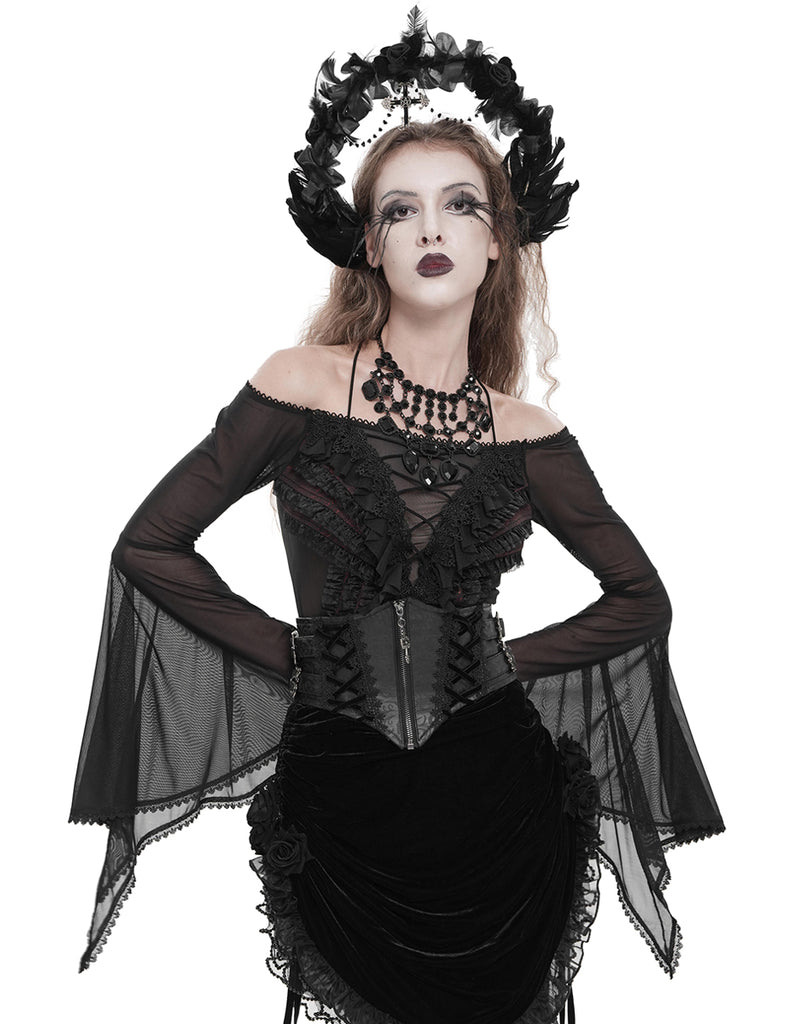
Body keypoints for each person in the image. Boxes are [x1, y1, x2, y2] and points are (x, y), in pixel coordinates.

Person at [68, 13, 725, 1024]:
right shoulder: (298, 384)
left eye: (460, 205)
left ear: (496, 240)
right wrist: (293, 651)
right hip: (345, 798)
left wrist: (506, 664)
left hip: (501, 799)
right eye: (400, 210)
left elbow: (640, 599)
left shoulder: (527, 433)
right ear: (369, 245)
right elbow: (149, 544)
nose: (431, 230)